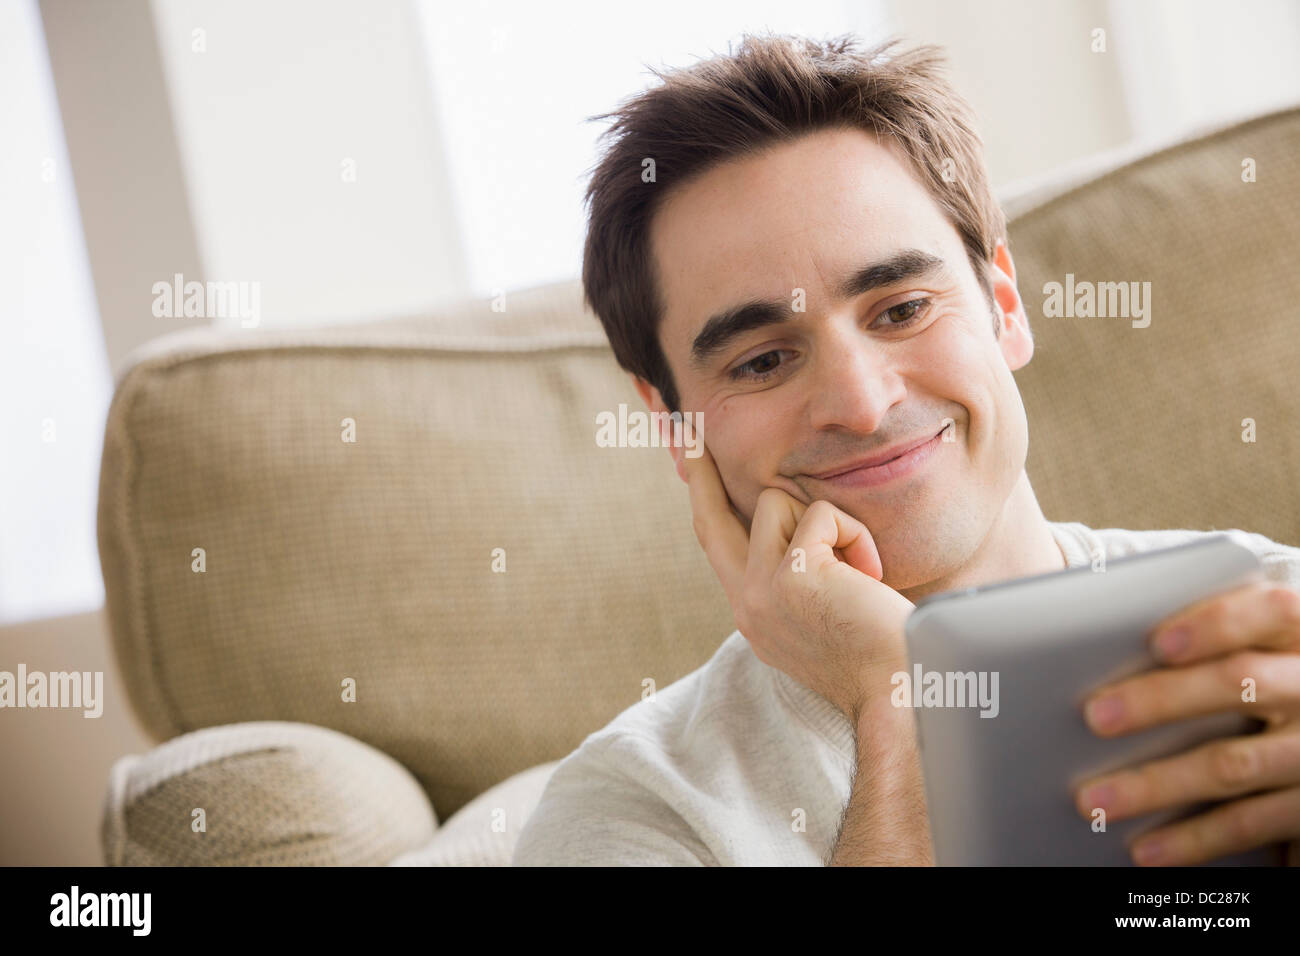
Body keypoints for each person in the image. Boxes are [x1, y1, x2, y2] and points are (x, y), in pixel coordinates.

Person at [512, 33, 1300, 866]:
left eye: (901, 309)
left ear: (1005, 304)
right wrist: (904, 699)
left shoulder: (1281, 628)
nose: (860, 403)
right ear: (676, 425)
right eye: (764, 360)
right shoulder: (632, 811)